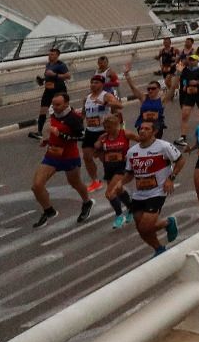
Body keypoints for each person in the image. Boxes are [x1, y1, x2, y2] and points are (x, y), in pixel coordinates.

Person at [31, 92, 93, 228]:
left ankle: (87, 202)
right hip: (52, 155)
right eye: (53, 104)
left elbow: (81, 137)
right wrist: (46, 139)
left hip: (69, 156)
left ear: (66, 103)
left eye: (58, 104)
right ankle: (49, 211)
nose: (55, 107)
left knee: (75, 183)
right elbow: (53, 131)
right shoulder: (54, 115)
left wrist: (62, 135)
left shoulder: (74, 118)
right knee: (36, 185)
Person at [125, 120, 184, 255]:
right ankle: (159, 249)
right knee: (141, 229)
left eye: (146, 129)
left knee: (145, 227)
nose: (142, 131)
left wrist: (171, 178)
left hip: (157, 192)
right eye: (141, 128)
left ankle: (167, 223)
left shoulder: (163, 147)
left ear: (154, 132)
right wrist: (119, 184)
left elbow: (181, 160)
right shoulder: (132, 152)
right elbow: (129, 173)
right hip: (138, 194)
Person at [79, 72, 122, 194]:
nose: (93, 84)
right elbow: (83, 114)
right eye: (92, 82)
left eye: (96, 82)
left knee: (105, 158)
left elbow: (119, 105)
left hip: (103, 131)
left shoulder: (106, 95)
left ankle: (112, 179)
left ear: (102, 84)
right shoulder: (86, 98)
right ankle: (95, 181)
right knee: (87, 157)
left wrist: (106, 103)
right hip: (90, 131)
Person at [98, 112, 134, 229]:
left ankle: (119, 216)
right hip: (109, 168)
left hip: (122, 167)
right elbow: (96, 152)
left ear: (116, 125)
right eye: (105, 127)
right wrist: (98, 147)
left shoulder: (125, 134)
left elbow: (141, 140)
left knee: (109, 193)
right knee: (119, 190)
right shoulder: (103, 138)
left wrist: (133, 154)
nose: (107, 129)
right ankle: (131, 208)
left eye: (109, 127)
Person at [30, 48, 70, 139]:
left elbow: (68, 76)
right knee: (43, 110)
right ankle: (39, 132)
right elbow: (48, 77)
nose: (50, 56)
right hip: (48, 90)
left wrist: (54, 75)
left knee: (62, 110)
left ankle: (68, 128)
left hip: (59, 90)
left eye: (52, 54)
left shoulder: (61, 65)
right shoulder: (48, 64)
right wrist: (41, 81)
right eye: (49, 54)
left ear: (57, 55)